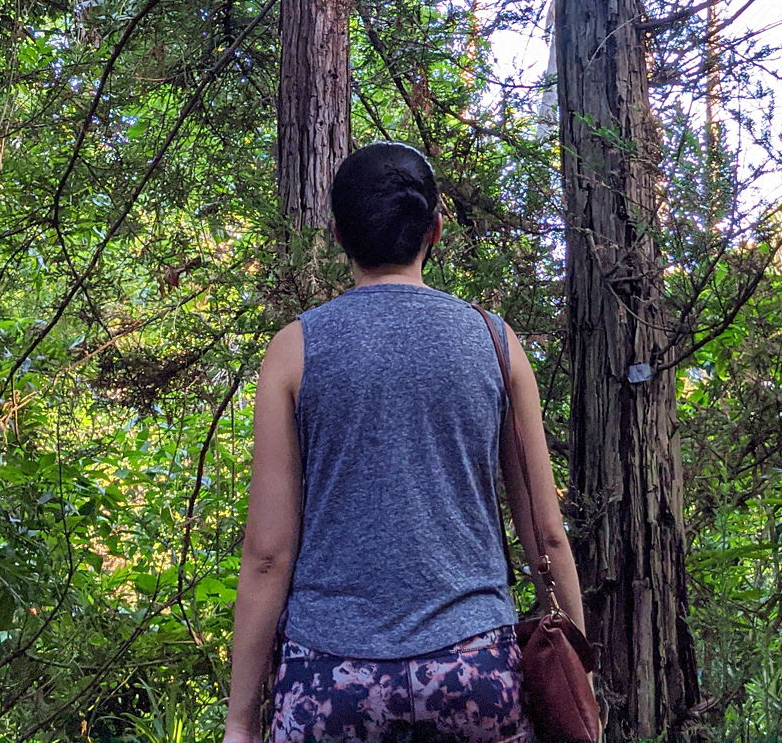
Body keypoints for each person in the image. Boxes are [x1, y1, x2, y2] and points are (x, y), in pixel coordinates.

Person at [221, 141, 586, 743]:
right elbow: (546, 535)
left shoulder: (294, 349)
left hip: (331, 678)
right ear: (434, 231)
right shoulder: (495, 343)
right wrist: (580, 679)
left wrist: (240, 722)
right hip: (474, 669)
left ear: (337, 235)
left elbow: (267, 553)